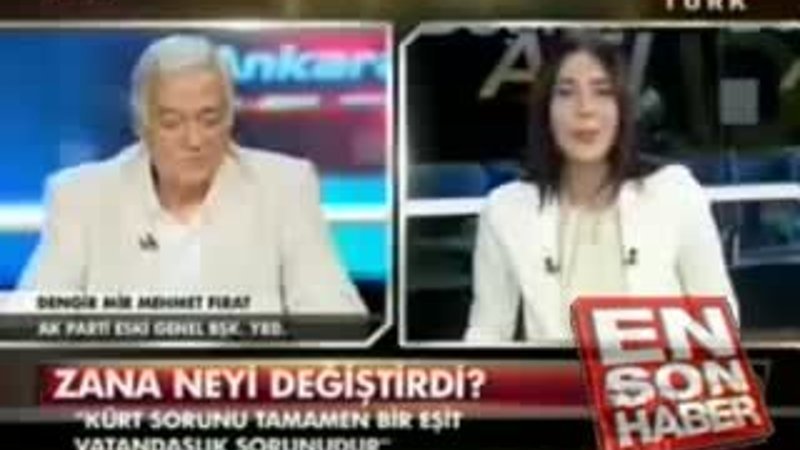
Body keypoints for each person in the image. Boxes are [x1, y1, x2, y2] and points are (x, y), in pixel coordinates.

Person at [18, 34, 367, 316]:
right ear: (142, 125)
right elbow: (31, 324)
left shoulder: (285, 187)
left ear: (230, 118)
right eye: (172, 123)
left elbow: (334, 318)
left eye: (209, 119)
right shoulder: (80, 198)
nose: (194, 140)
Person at [464, 34, 738, 343]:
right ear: (546, 112)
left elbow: (720, 322)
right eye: (566, 92)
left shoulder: (675, 192)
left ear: (622, 108)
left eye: (602, 92)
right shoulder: (506, 210)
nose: (585, 109)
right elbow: (487, 331)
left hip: (660, 372)